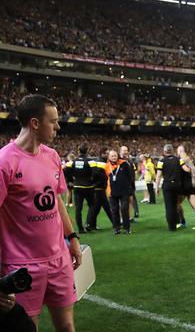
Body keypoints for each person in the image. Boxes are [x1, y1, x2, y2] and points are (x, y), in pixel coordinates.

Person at [0, 94, 82, 331]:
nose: (58, 126)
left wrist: (73, 237)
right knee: (27, 327)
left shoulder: (53, 156)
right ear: (35, 123)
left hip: (59, 259)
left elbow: (56, 200)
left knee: (67, 326)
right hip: (21, 265)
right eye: (53, 121)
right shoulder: (5, 162)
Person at [63, 145, 95, 233]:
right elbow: (96, 172)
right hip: (88, 186)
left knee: (78, 208)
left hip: (77, 186)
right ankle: (88, 223)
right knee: (92, 205)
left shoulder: (72, 162)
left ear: (78, 151)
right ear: (87, 151)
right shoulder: (90, 161)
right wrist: (92, 179)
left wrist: (70, 180)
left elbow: (64, 171)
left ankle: (80, 229)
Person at [176, 144, 195, 230]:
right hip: (187, 184)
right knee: (188, 204)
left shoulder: (185, 158)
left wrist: (194, 180)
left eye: (179, 150)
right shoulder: (182, 158)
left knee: (178, 204)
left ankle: (183, 222)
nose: (178, 151)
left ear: (181, 150)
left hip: (185, 184)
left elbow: (193, 168)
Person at [155, 144, 183, 231]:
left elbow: (158, 176)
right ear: (172, 151)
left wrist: (157, 187)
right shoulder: (179, 160)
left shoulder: (161, 162)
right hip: (178, 185)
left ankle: (172, 226)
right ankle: (178, 221)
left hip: (167, 185)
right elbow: (185, 170)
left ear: (164, 151)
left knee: (169, 206)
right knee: (176, 204)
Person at [106, 150, 133, 235]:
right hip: (112, 192)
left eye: (115, 155)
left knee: (124, 209)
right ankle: (117, 228)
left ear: (117, 155)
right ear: (109, 157)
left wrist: (130, 189)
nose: (114, 157)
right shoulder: (106, 166)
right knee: (114, 210)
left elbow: (130, 177)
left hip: (124, 191)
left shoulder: (124, 164)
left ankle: (127, 228)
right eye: (112, 156)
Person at [87, 147, 113, 231]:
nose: (108, 155)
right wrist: (104, 178)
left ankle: (91, 225)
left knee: (97, 207)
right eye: (107, 153)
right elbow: (97, 174)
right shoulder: (101, 163)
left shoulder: (100, 162)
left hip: (98, 188)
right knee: (106, 207)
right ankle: (115, 223)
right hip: (99, 188)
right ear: (103, 154)